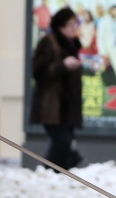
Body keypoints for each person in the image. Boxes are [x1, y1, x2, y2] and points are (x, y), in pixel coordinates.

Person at [30, 8, 85, 171]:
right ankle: (48, 174)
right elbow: (38, 71)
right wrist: (63, 65)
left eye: (75, 24)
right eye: (70, 25)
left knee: (66, 146)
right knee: (63, 142)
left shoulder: (73, 44)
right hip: (52, 105)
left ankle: (59, 177)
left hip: (69, 105)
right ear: (60, 26)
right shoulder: (49, 42)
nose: (74, 28)